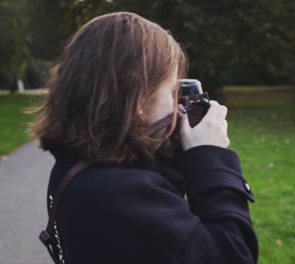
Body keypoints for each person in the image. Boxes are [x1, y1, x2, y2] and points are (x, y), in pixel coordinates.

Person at [28, 11, 258, 264]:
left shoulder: (77, 166)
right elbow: (233, 254)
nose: (177, 105)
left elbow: (160, 219)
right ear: (138, 99)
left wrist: (178, 151)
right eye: (171, 91)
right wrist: (211, 157)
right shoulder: (121, 194)